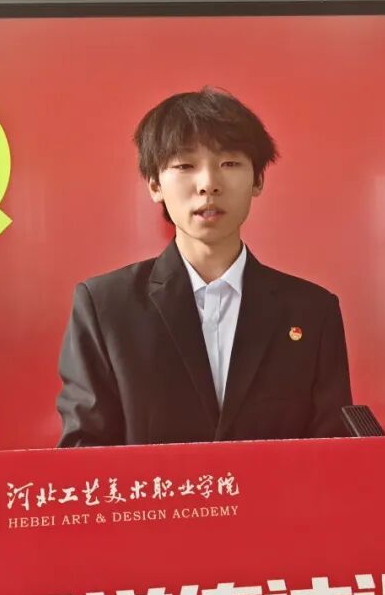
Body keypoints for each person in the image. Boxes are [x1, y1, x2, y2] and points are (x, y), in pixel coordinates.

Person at [56, 86, 352, 447]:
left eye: (229, 164)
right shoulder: (106, 307)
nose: (208, 184)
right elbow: (83, 452)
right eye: (185, 166)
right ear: (155, 184)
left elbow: (332, 453)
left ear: (258, 180)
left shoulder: (312, 312)